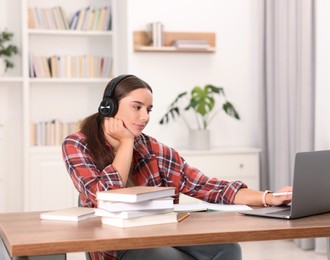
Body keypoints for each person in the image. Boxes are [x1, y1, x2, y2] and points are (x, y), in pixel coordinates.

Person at [62, 74, 292, 260]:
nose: (144, 117)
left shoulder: (154, 150)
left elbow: (207, 186)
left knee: (228, 249)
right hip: (116, 244)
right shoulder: (77, 144)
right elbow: (104, 196)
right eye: (137, 107)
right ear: (109, 108)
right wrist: (126, 144)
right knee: (166, 257)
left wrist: (268, 198)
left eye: (148, 109)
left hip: (161, 231)